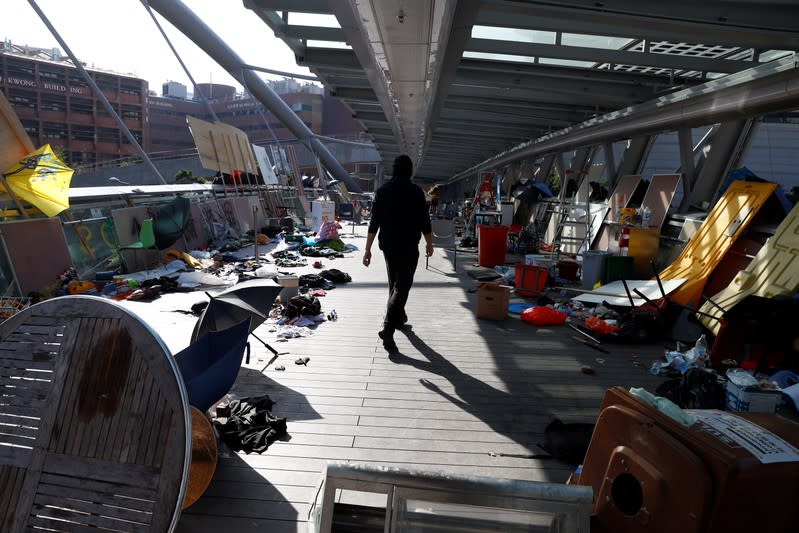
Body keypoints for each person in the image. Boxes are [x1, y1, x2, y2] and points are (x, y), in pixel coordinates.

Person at [363, 155, 433, 352]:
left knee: (394, 284)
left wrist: (367, 249)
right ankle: (388, 330)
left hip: (389, 246)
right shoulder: (416, 193)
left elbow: (374, 222)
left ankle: (399, 317)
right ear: (410, 171)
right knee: (402, 286)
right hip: (409, 246)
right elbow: (424, 221)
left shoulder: (383, 191)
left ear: (393, 170)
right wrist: (429, 243)